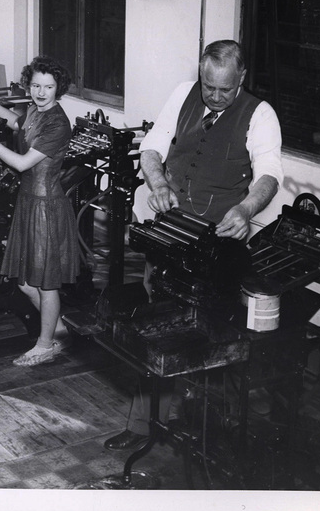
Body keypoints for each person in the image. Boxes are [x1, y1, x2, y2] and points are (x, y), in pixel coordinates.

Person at [104, 39, 284, 450]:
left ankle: (215, 430)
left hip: (218, 243)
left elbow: (270, 173)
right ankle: (142, 426)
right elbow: (152, 146)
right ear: (200, 76)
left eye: (225, 89)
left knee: (214, 333)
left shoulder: (260, 114)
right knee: (158, 325)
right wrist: (159, 182)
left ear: (241, 78)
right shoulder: (182, 95)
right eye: (209, 87)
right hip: (172, 233)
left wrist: (244, 209)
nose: (216, 97)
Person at [0, 56, 79, 367]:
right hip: (28, 202)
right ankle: (56, 326)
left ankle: (45, 345)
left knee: (46, 282)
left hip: (46, 206)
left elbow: (19, 163)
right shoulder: (35, 109)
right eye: (35, 86)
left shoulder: (57, 122)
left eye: (48, 87)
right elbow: (16, 123)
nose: (41, 92)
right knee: (24, 281)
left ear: (59, 90)